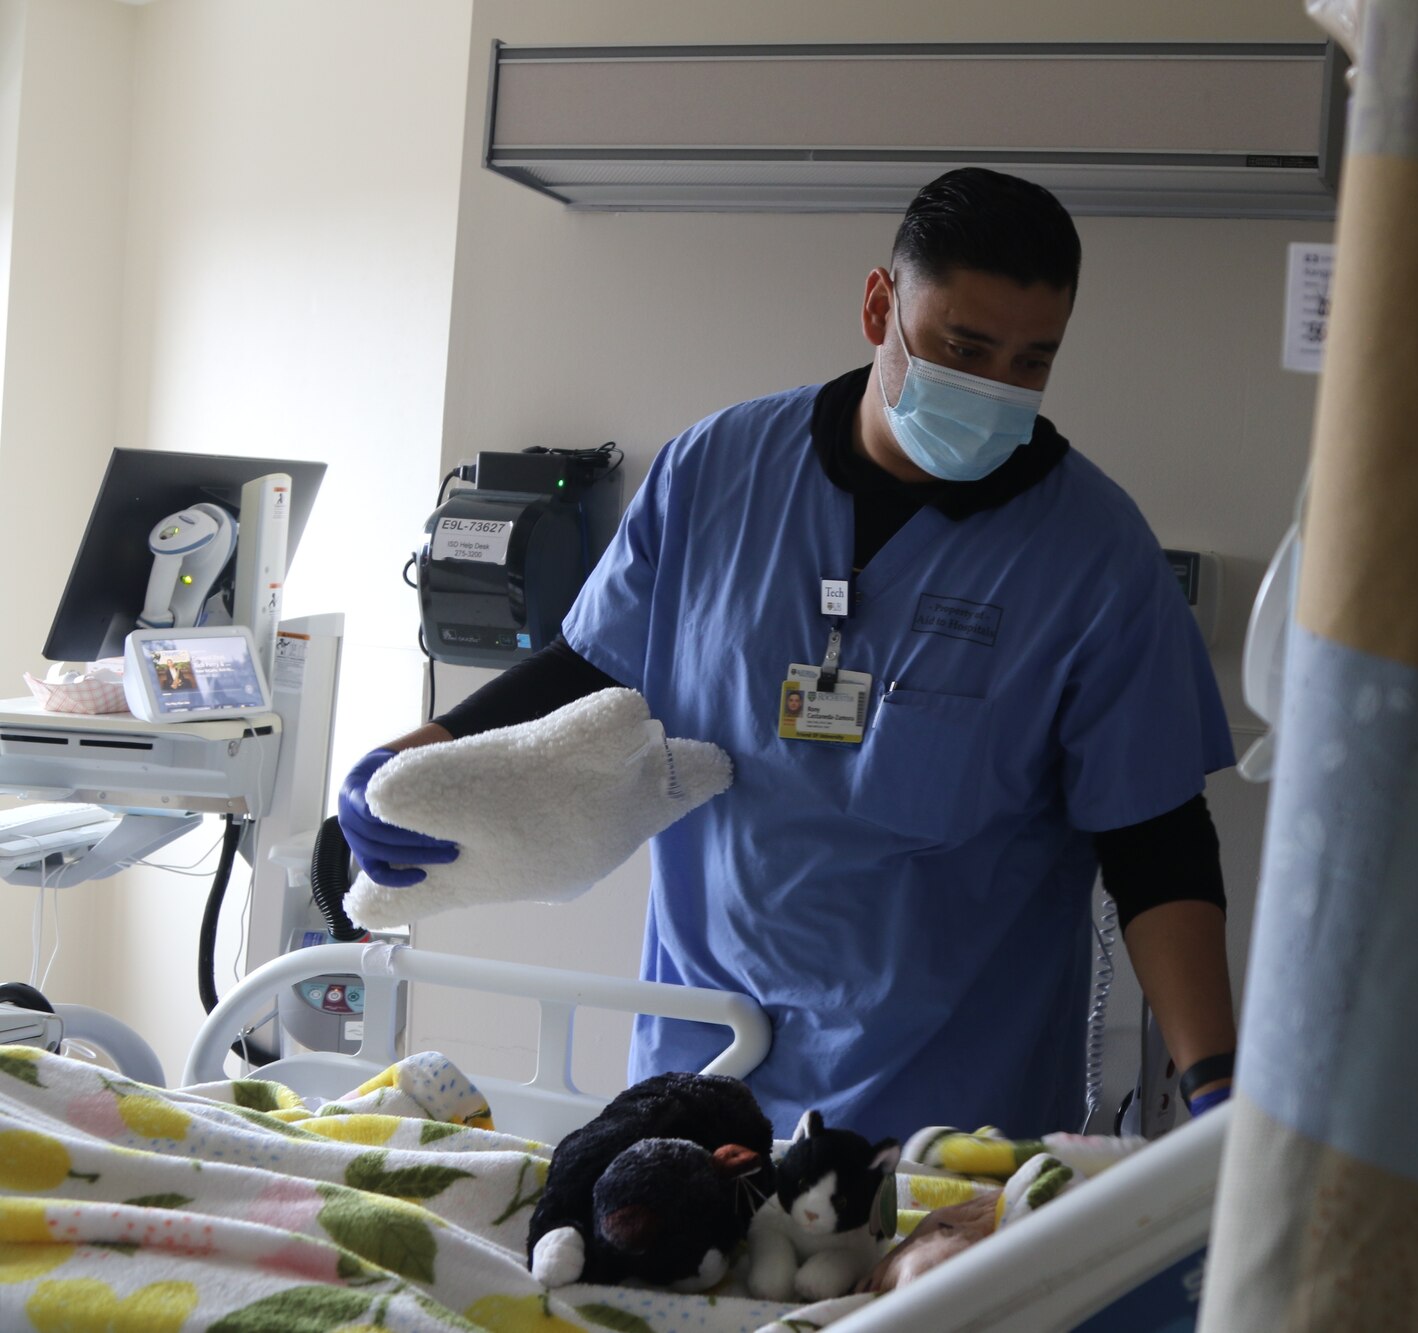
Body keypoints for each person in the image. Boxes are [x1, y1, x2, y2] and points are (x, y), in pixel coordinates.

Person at [337, 168, 1238, 1142]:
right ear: (877, 305)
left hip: (945, 1112)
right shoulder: (715, 474)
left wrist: (1214, 1086)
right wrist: (410, 761)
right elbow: (592, 666)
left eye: (1029, 364)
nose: (991, 390)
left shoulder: (1090, 558)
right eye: (963, 348)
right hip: (704, 1070)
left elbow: (1157, 842)